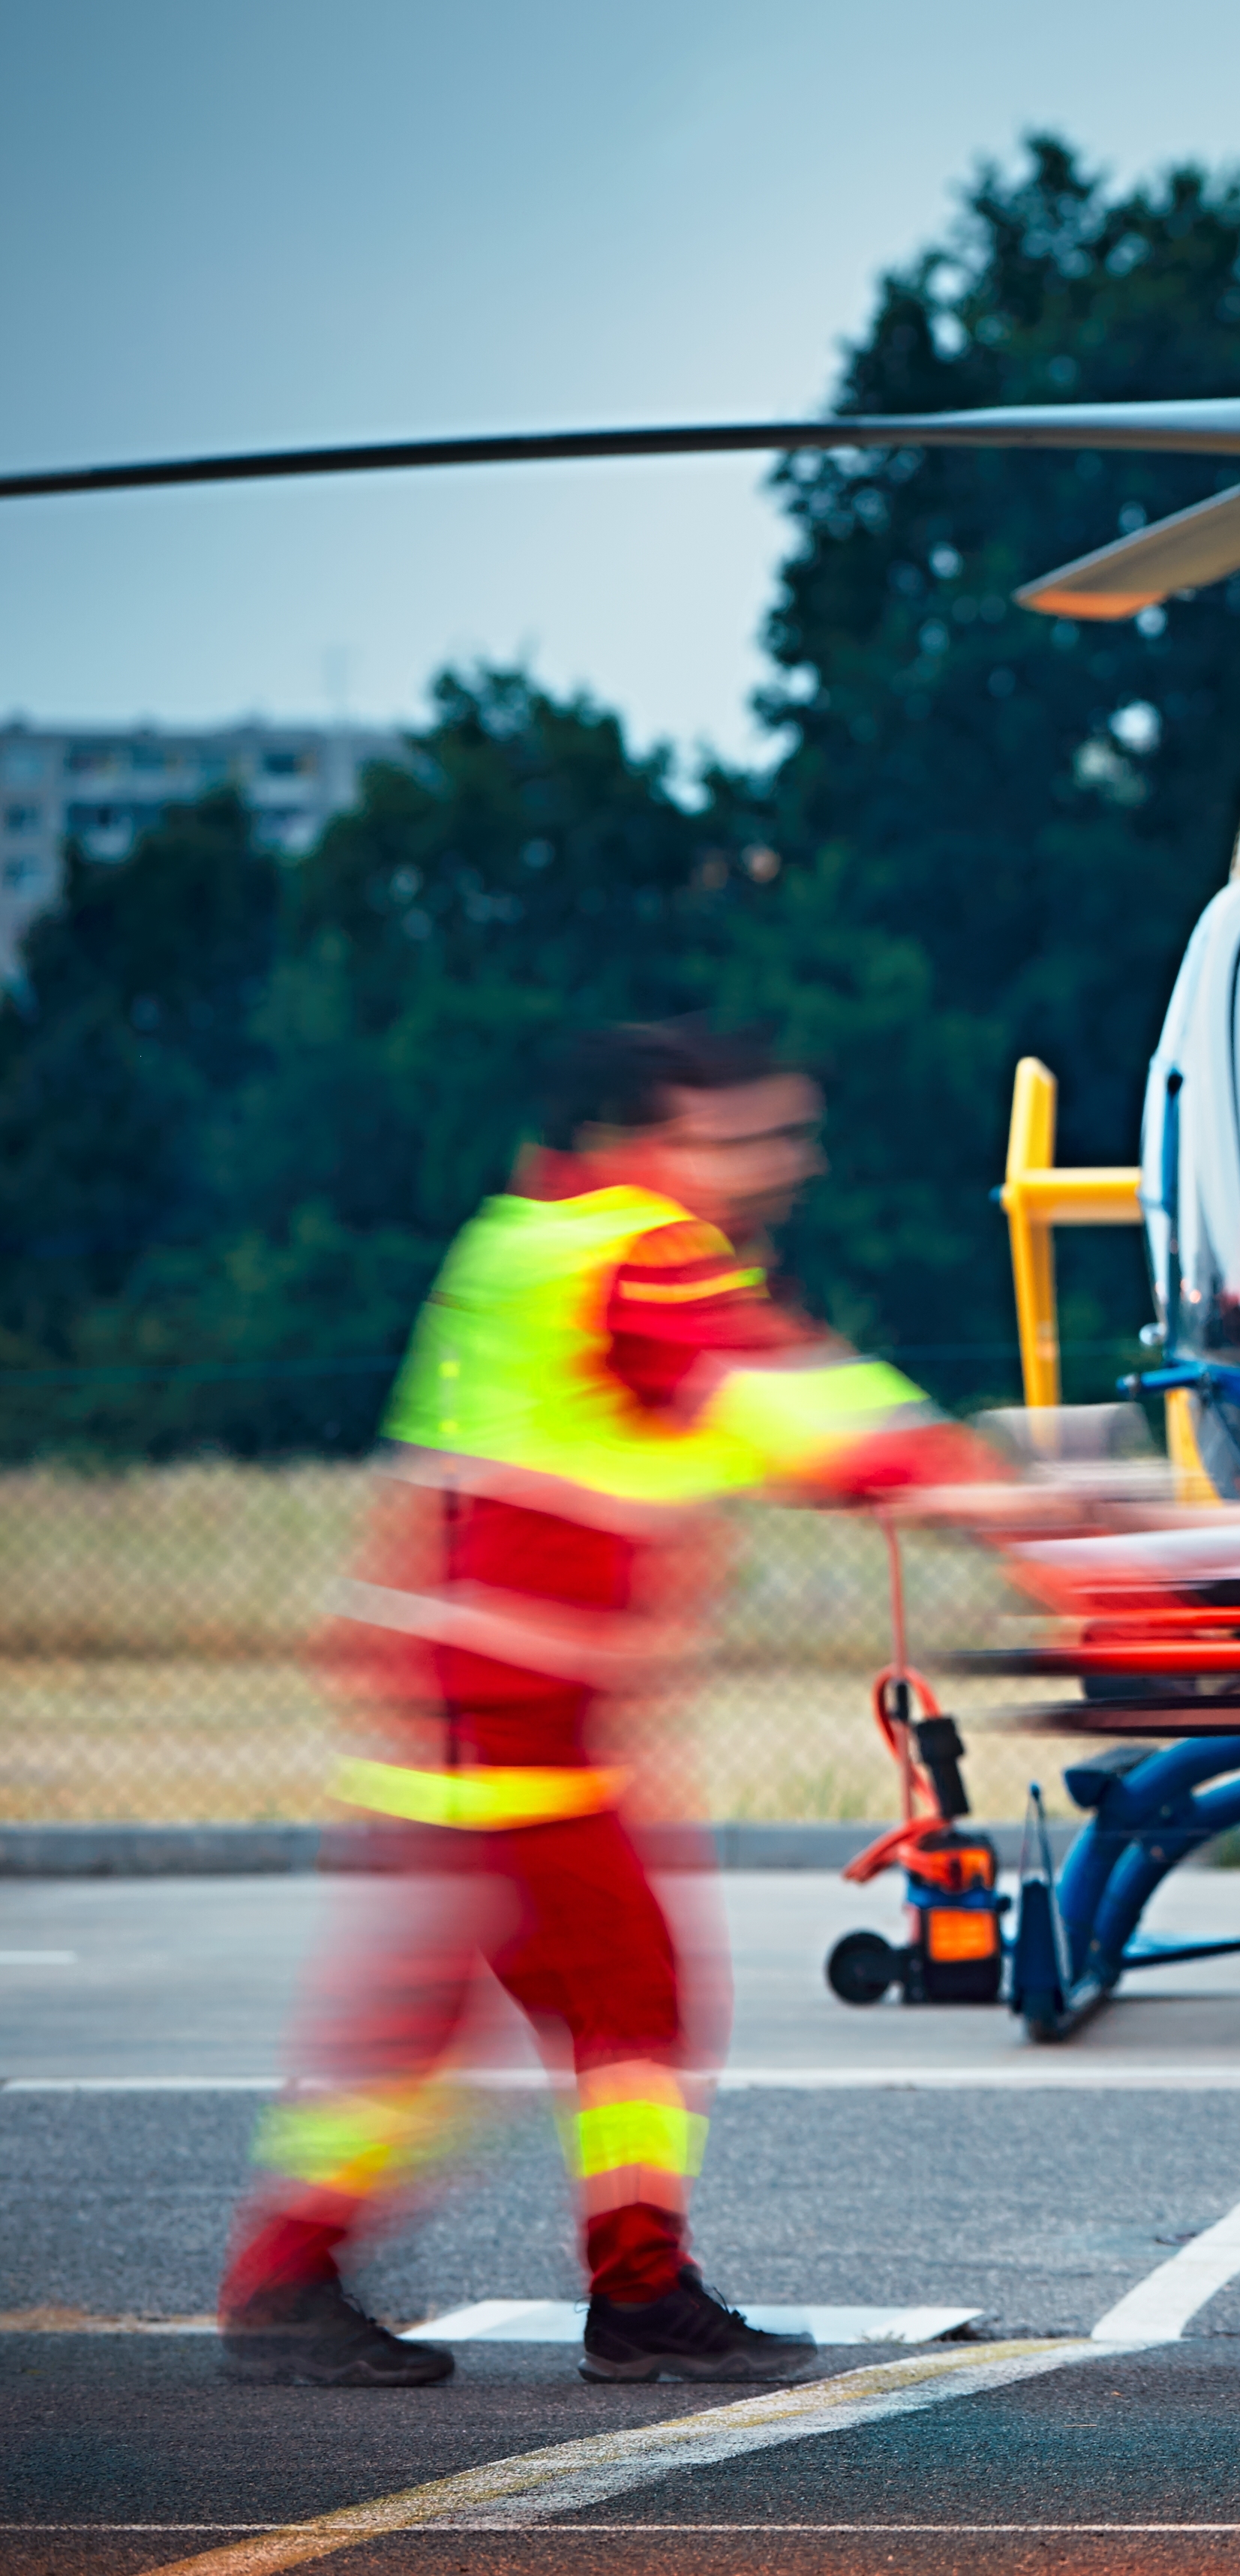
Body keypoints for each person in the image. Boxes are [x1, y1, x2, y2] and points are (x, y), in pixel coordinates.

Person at [220, 1021, 1014, 2386]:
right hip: (511, 1710)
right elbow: (780, 1400)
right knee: (538, 2004)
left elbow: (735, 1407)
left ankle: (590, 2283)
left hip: (501, 1702)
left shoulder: (533, 1241)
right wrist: (981, 1486)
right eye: (745, 1135)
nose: (781, 1164)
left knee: (567, 1995)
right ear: (648, 1140)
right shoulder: (630, 1249)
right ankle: (347, 2275)